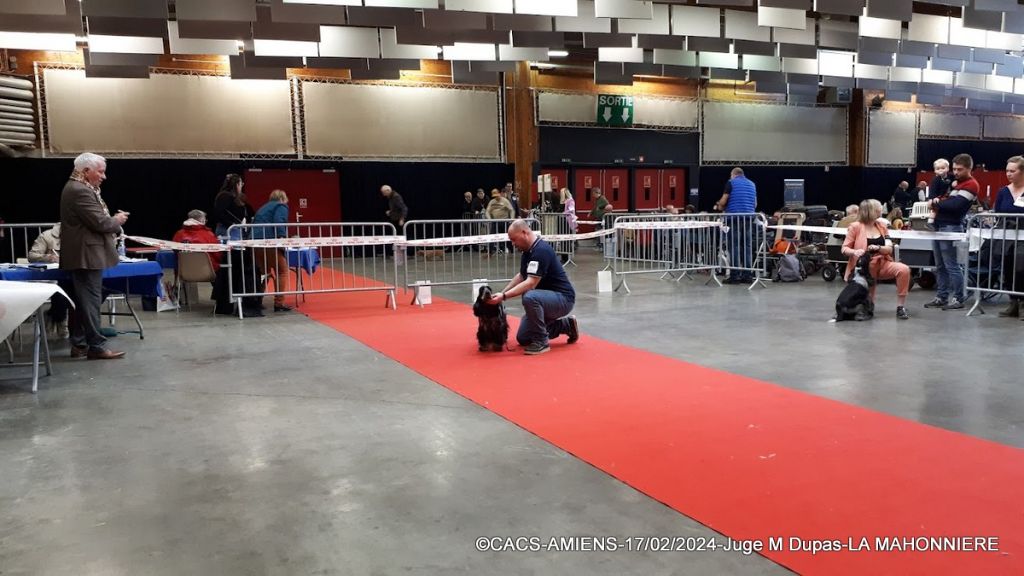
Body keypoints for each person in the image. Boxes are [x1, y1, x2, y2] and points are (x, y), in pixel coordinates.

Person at [59, 152, 127, 360]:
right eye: (101, 172)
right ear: (86, 171)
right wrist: (117, 220)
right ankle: (96, 346)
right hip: (86, 255)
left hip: (84, 254)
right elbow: (100, 223)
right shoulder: (80, 190)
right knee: (90, 302)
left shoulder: (78, 187)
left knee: (84, 302)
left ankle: (79, 344)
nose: (104, 177)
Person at [488, 219, 577, 355]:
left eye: (514, 239)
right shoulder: (527, 252)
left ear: (524, 233)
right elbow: (521, 276)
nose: (513, 244)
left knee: (530, 296)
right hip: (547, 298)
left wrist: (504, 296)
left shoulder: (541, 250)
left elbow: (530, 283)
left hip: (563, 299)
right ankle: (566, 325)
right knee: (524, 338)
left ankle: (542, 342)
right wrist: (502, 293)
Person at [925, 153, 979, 311]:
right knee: (940, 265)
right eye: (954, 169)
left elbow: (955, 206)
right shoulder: (952, 182)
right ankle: (941, 297)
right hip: (938, 225)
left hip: (951, 226)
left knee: (951, 265)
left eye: (959, 169)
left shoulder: (971, 184)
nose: (955, 172)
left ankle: (958, 298)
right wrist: (937, 201)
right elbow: (940, 196)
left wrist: (935, 203)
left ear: (969, 168)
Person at [841, 199, 911, 320]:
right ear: (870, 211)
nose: (881, 210)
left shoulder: (882, 226)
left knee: (904, 269)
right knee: (871, 268)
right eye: (878, 209)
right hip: (865, 265)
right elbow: (844, 248)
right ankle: (868, 306)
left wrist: (879, 248)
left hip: (883, 262)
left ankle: (900, 307)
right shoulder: (855, 227)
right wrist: (855, 252)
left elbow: (889, 248)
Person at [992, 155, 1024, 319]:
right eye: (1007, 171)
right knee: (1008, 268)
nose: (1009, 174)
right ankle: (1013, 302)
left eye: (1013, 171)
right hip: (1007, 236)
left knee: (1021, 267)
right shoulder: (1003, 192)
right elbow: (998, 213)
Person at [713, 167, 758, 284]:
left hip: (734, 218)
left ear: (733, 174)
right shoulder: (752, 184)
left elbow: (723, 201)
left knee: (734, 246)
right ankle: (748, 275)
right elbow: (755, 204)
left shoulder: (731, 183)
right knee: (747, 247)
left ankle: (735, 275)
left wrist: (719, 205)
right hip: (749, 218)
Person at [252, 189, 292, 312]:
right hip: (269, 241)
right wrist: (282, 238)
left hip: (254, 242)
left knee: (263, 273)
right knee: (281, 271)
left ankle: (257, 300)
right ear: (282, 198)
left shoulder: (263, 208)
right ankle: (279, 303)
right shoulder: (281, 206)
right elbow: (279, 221)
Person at [28, 223, 70, 337]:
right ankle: (61, 319)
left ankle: (54, 315)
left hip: (72, 275)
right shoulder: (47, 236)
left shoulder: (80, 235)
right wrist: (48, 257)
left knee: (85, 292)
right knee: (60, 290)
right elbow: (32, 255)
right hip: (51, 277)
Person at [213, 174, 251, 238]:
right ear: (237, 185)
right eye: (241, 184)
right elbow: (219, 213)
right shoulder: (225, 196)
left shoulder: (233, 196)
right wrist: (231, 224)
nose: (242, 186)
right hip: (228, 230)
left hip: (234, 229)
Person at [486, 188, 514, 254]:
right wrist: (489, 218)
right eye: (494, 196)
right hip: (495, 222)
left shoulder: (505, 201)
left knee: (507, 237)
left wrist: (511, 219)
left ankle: (511, 250)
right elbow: (487, 211)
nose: (496, 197)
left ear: (499, 194)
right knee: (492, 236)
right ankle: (490, 251)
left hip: (504, 221)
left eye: (497, 195)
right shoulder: (492, 202)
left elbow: (511, 210)